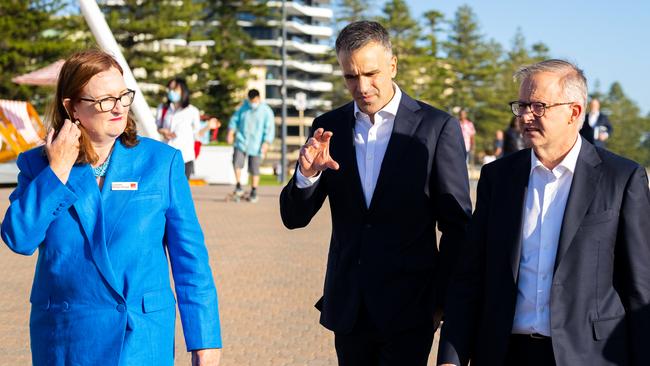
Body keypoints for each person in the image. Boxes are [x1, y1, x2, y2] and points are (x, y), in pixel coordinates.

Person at [1, 50, 222, 366]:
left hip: (141, 338)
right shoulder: (38, 165)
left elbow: (191, 260)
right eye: (105, 100)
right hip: (66, 340)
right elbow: (19, 239)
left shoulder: (161, 162)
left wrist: (205, 340)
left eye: (123, 95)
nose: (119, 107)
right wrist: (57, 171)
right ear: (71, 106)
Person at [279, 21, 472, 365]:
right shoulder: (329, 128)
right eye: (351, 77)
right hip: (349, 307)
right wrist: (306, 176)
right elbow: (294, 218)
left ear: (393, 65)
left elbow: (457, 226)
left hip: (411, 309)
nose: (362, 86)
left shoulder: (436, 127)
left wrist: (441, 302)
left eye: (371, 74)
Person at [438, 59, 650, 366]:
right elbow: (470, 275)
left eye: (538, 106)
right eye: (521, 105)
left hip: (589, 357)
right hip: (503, 353)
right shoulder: (498, 178)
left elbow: (640, 288)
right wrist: (450, 358)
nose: (525, 116)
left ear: (574, 112)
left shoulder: (621, 178)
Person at [227, 89, 274, 203]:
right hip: (241, 141)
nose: (252, 103)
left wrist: (266, 142)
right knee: (236, 162)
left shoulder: (266, 111)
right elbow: (234, 120)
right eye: (251, 100)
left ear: (259, 98)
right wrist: (230, 133)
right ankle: (238, 186)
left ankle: (253, 190)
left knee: (254, 169)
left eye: (254, 100)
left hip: (257, 144)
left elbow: (269, 128)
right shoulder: (243, 108)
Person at [156, 77, 201, 179]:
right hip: (167, 155)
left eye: (174, 89)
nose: (171, 92)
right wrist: (163, 131)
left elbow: (197, 134)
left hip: (185, 156)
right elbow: (158, 126)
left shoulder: (192, 111)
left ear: (183, 90)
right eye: (170, 89)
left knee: (181, 190)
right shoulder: (163, 108)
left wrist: (208, 127)